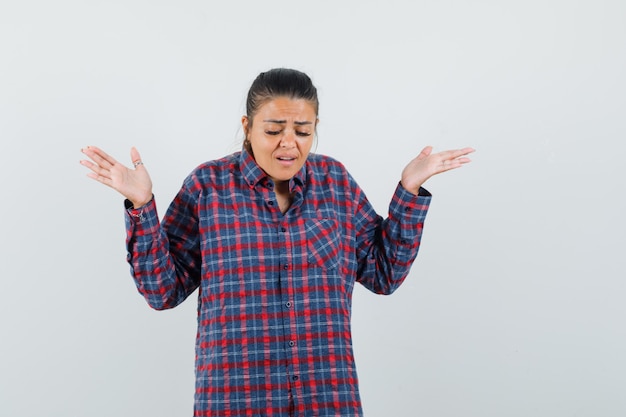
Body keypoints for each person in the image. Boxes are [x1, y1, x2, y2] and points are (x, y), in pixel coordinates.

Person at [80, 68, 474, 417]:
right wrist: (142, 205)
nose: (289, 143)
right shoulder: (207, 187)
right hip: (235, 401)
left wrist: (409, 190)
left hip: (328, 398)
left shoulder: (335, 183)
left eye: (303, 131)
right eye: (273, 130)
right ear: (247, 126)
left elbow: (383, 273)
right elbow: (162, 290)